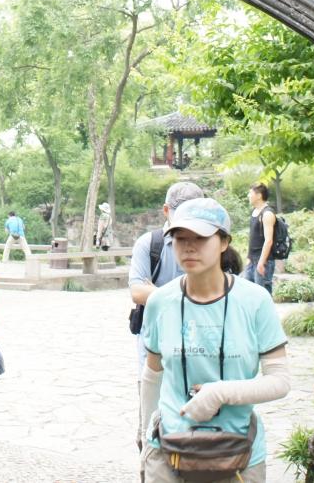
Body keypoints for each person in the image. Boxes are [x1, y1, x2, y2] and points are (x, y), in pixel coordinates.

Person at [139, 197, 290, 482]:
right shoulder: (160, 301)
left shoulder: (255, 301)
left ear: (224, 242)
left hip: (238, 452)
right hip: (168, 450)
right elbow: (152, 374)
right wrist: (146, 435)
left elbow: (280, 380)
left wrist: (219, 393)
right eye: (180, 238)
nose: (189, 247)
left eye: (200, 237)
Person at [128, 181, 204, 370]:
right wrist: (191, 297)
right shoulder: (149, 244)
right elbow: (137, 293)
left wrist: (157, 292)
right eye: (181, 215)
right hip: (155, 337)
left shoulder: (211, 244)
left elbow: (221, 293)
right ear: (166, 210)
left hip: (201, 337)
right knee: (151, 385)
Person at [242, 183, 281, 293]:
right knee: (249, 293)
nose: (248, 196)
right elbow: (254, 238)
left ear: (259, 195)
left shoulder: (267, 214)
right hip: (252, 260)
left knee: (263, 295)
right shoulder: (255, 212)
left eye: (250, 193)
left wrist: (261, 262)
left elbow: (268, 241)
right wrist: (249, 258)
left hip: (264, 261)